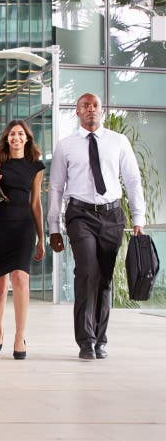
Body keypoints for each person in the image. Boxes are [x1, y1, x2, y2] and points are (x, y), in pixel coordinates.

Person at [48, 93, 145, 360]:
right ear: (77, 112)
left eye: (95, 106)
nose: (90, 109)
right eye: (84, 106)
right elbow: (56, 187)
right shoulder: (65, 146)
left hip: (112, 215)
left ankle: (101, 339)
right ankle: (85, 340)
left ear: (101, 110)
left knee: (104, 278)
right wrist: (53, 227)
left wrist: (138, 219)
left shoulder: (118, 142)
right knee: (87, 272)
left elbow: (133, 180)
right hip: (80, 215)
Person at [0, 120, 45, 360]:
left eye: (21, 134)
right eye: (12, 134)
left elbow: (36, 203)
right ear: (6, 138)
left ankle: (19, 336)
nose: (16, 138)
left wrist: (41, 237)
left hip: (23, 228)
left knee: (21, 278)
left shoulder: (35, 166)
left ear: (27, 139)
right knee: (0, 287)